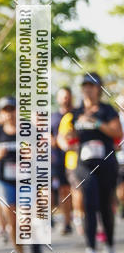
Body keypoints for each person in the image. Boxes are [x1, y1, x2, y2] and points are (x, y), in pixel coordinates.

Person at [58, 73, 122, 253]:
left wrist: (96, 123)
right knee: (89, 203)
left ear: (99, 89)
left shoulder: (107, 110)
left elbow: (118, 132)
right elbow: (62, 137)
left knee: (104, 205)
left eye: (92, 86)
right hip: (84, 165)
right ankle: (91, 251)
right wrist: (67, 141)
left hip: (106, 163)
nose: (88, 89)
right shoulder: (75, 113)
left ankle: (109, 247)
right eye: (85, 85)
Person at [0, 96, 42, 253]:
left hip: (26, 179)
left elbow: (41, 150)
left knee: (25, 216)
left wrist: (31, 154)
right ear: (1, 114)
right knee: (12, 218)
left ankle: (33, 240)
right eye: (5, 111)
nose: (9, 114)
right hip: (5, 180)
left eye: (12, 109)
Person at [51, 87, 73, 235]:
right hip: (57, 159)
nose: (65, 99)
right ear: (57, 99)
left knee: (78, 190)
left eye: (67, 96)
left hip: (75, 158)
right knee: (63, 190)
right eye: (62, 96)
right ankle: (66, 222)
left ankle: (79, 217)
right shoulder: (53, 117)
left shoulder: (76, 114)